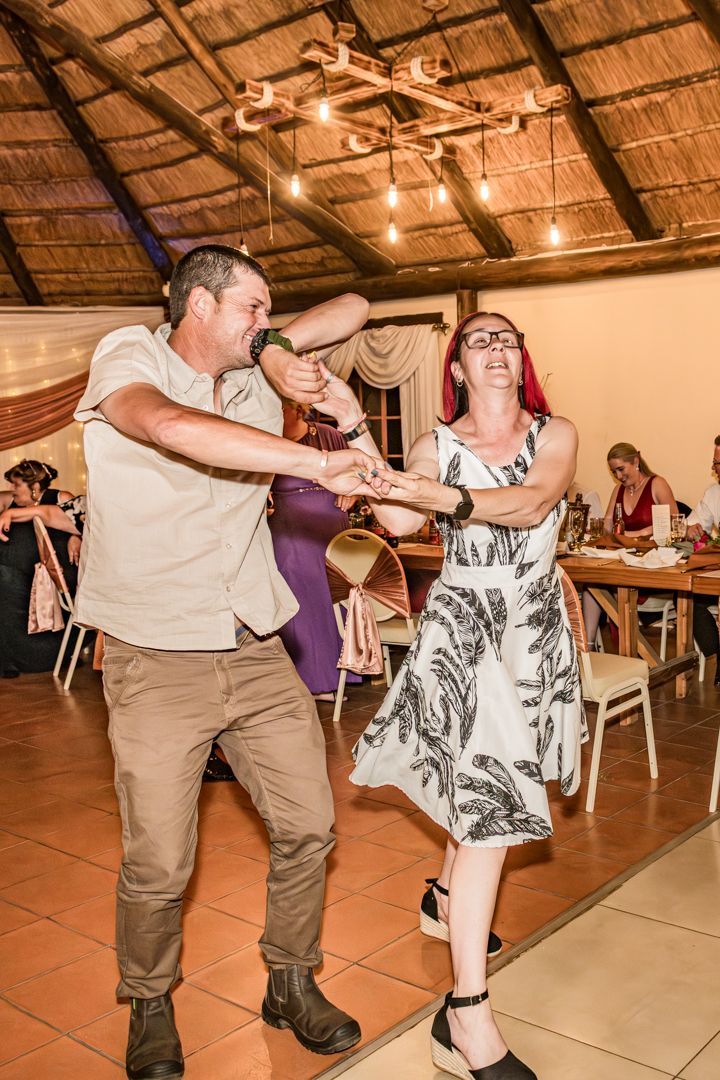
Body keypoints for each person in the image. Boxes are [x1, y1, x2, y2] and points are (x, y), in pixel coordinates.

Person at [73, 244, 389, 1080]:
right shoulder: (130, 356)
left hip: (254, 647)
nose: (265, 320)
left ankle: (290, 979)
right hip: (155, 656)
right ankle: (150, 1001)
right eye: (254, 307)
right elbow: (169, 428)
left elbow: (355, 306)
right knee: (159, 860)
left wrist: (275, 348)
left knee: (309, 824)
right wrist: (316, 460)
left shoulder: (252, 371)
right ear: (200, 305)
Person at [314, 311, 586, 1079]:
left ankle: (444, 895)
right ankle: (467, 1016)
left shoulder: (555, 434)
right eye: (479, 340)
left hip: (532, 630)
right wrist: (356, 427)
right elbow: (402, 516)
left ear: (521, 359)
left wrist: (445, 495)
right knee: (492, 810)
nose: (496, 348)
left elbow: (531, 503)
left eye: (507, 338)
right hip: (467, 630)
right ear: (458, 368)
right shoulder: (435, 445)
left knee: (481, 796)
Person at [268, 401, 360, 700]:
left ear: (297, 408)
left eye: (279, 407)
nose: (273, 412)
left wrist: (354, 493)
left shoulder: (328, 435)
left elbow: (359, 472)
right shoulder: (266, 440)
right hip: (289, 529)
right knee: (301, 599)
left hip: (331, 528)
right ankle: (312, 680)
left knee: (334, 596)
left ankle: (343, 673)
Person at [583, 442, 680, 645]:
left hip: (651, 565)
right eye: (614, 472)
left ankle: (629, 648)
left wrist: (640, 533)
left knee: (610, 583)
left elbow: (673, 521)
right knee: (591, 582)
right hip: (625, 561)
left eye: (621, 469)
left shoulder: (657, 484)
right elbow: (608, 525)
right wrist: (593, 529)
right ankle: (587, 647)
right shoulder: (618, 490)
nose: (618, 476)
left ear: (636, 461)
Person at [0, 460, 78, 677]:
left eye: (17, 485)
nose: (12, 489)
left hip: (51, 579)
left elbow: (80, 522)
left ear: (34, 487)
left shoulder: (60, 497)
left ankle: (37, 656)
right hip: (15, 577)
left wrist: (76, 537)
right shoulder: (10, 500)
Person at [687, 435, 720, 684]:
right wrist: (691, 528)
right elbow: (693, 524)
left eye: (717, 463)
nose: (714, 468)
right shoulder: (714, 493)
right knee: (690, 597)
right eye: (714, 462)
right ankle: (717, 655)